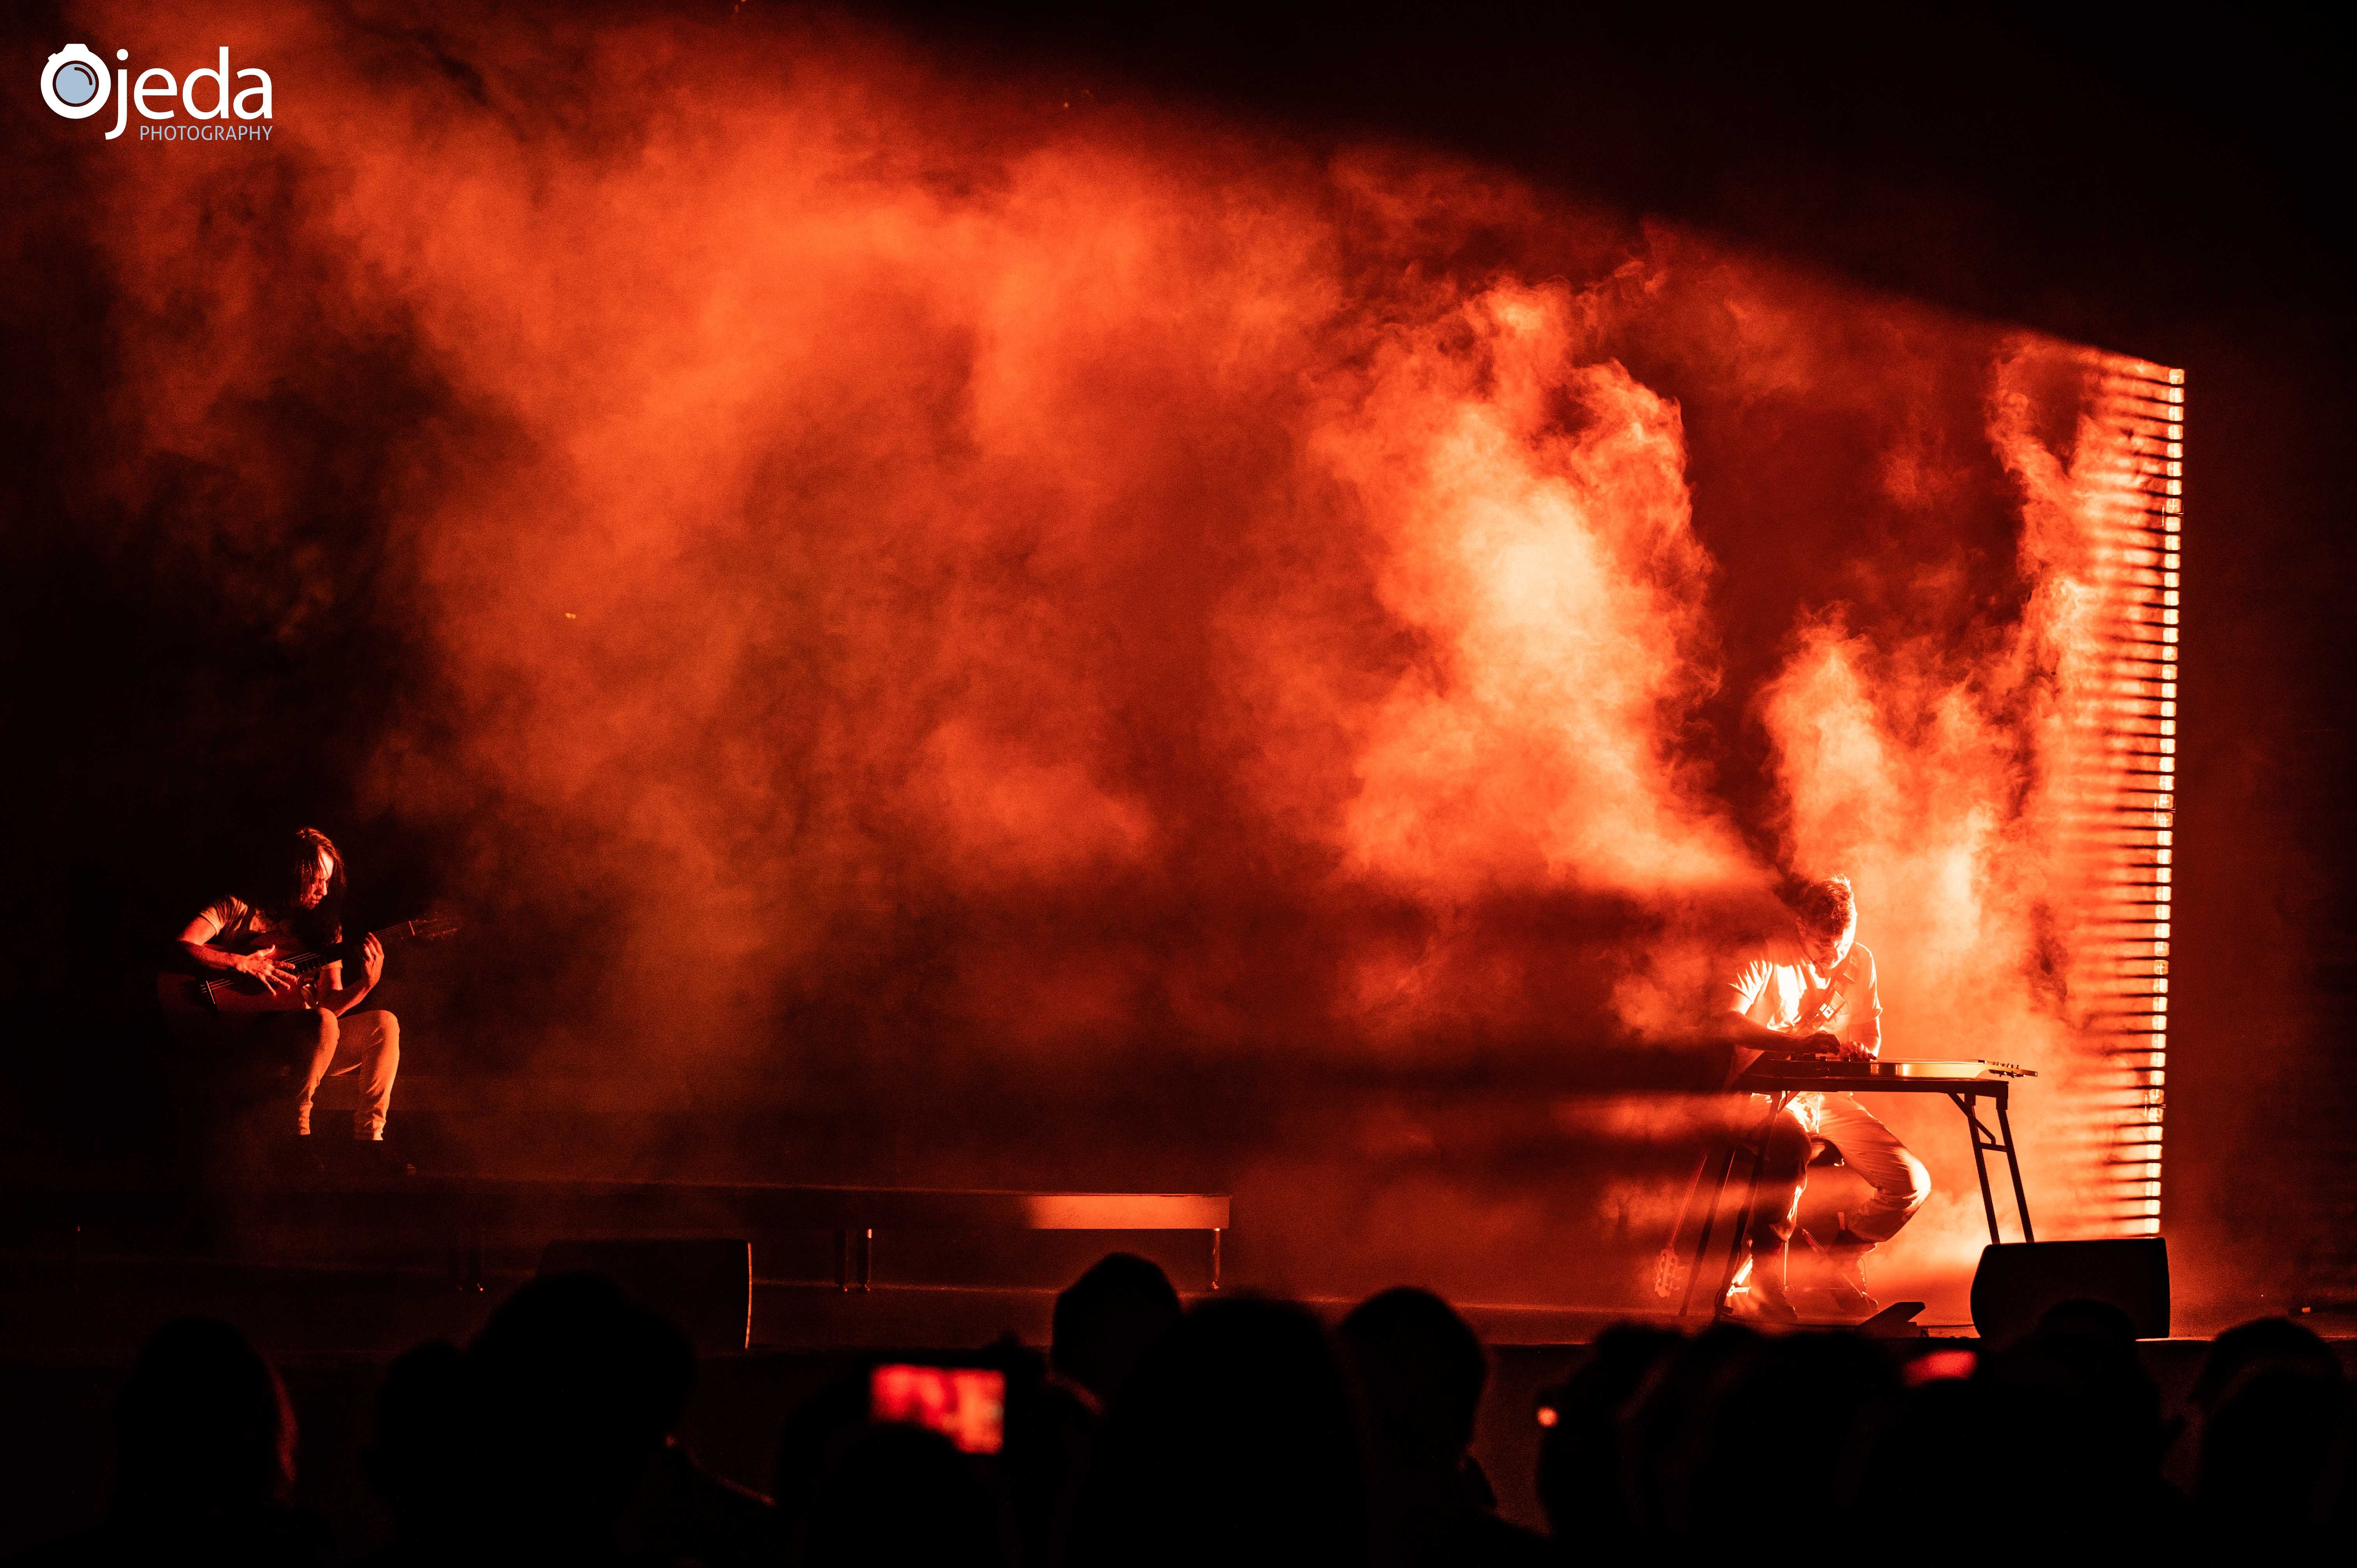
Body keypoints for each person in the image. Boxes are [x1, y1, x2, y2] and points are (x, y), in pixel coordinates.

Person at [1720, 874, 1929, 1319]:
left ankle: (1835, 1262)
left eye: (1842, 942)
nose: (1833, 955)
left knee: (1910, 1182)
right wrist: (1793, 1044)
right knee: (1792, 1146)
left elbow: (1869, 1032)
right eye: (1822, 945)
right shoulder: (1765, 953)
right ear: (1800, 925)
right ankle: (1767, 1279)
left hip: (1824, 1098)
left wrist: (1862, 1052)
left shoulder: (1861, 960)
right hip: (1761, 1096)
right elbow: (1726, 1022)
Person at [170, 826, 401, 1152]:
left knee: (383, 1023)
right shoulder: (237, 908)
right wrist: (240, 962)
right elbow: (183, 944)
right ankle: (297, 1134)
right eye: (317, 880)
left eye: (328, 881)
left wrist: (366, 985)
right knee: (321, 1022)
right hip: (248, 1041)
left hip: (308, 1046)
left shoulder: (325, 929)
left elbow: (330, 1006)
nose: (324, 890)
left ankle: (370, 1141)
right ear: (294, 873)